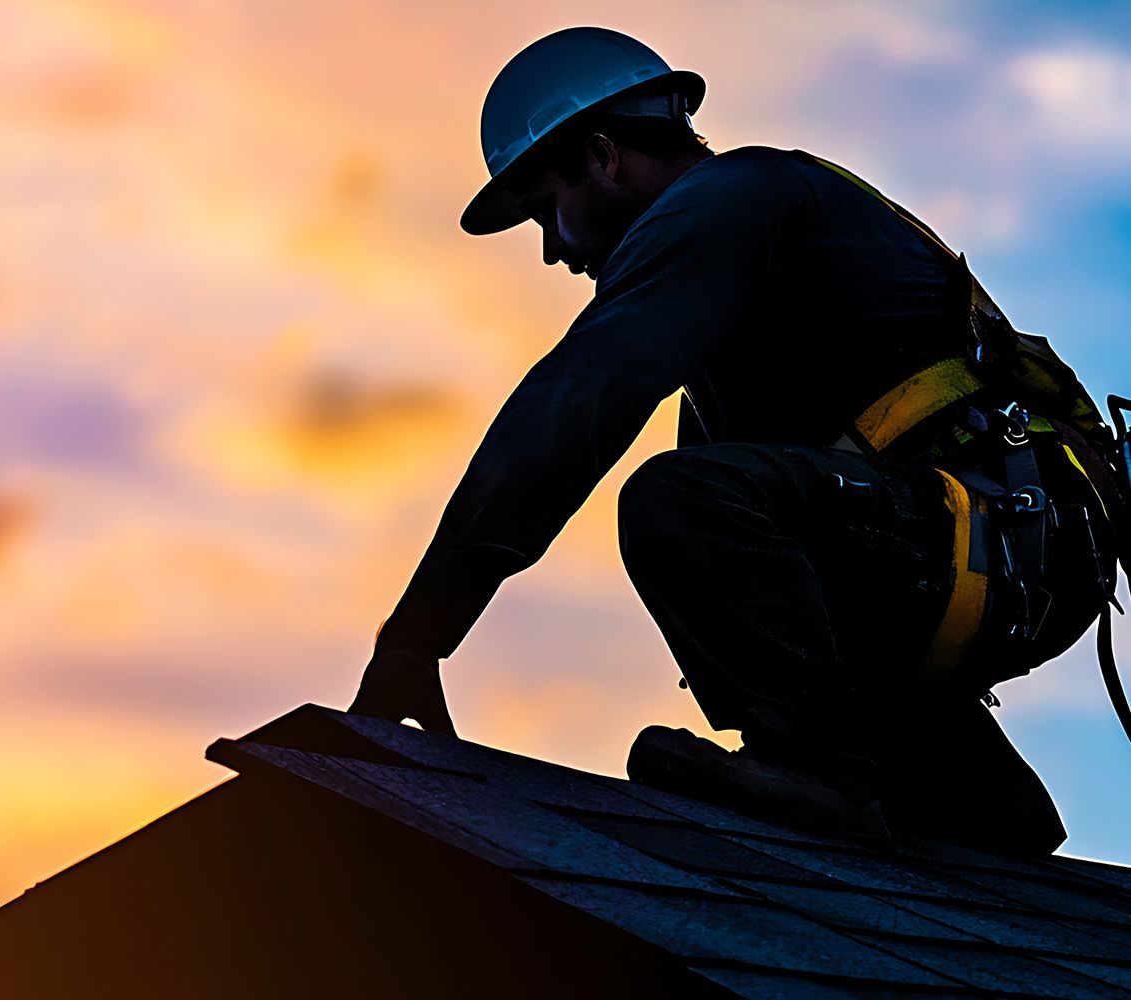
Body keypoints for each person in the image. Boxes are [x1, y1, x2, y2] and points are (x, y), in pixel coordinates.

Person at [347, 27, 1125, 852]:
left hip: (991, 535)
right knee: (716, 489)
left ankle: (820, 768)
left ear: (605, 155)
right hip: (994, 545)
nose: (554, 251)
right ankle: (968, 804)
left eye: (548, 211)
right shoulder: (750, 286)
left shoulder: (735, 198)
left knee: (681, 499)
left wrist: (417, 637)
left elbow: (574, 407)